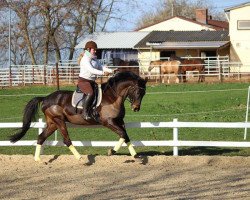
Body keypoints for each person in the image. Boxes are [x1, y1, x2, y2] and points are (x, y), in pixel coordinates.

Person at [78, 40, 113, 120]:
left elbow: (101, 66)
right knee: (90, 93)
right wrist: (103, 73)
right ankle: (85, 113)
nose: (95, 51)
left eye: (95, 49)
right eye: (94, 49)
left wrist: (111, 70)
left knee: (100, 92)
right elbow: (92, 70)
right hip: (84, 81)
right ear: (88, 49)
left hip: (92, 81)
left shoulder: (94, 59)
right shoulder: (85, 59)